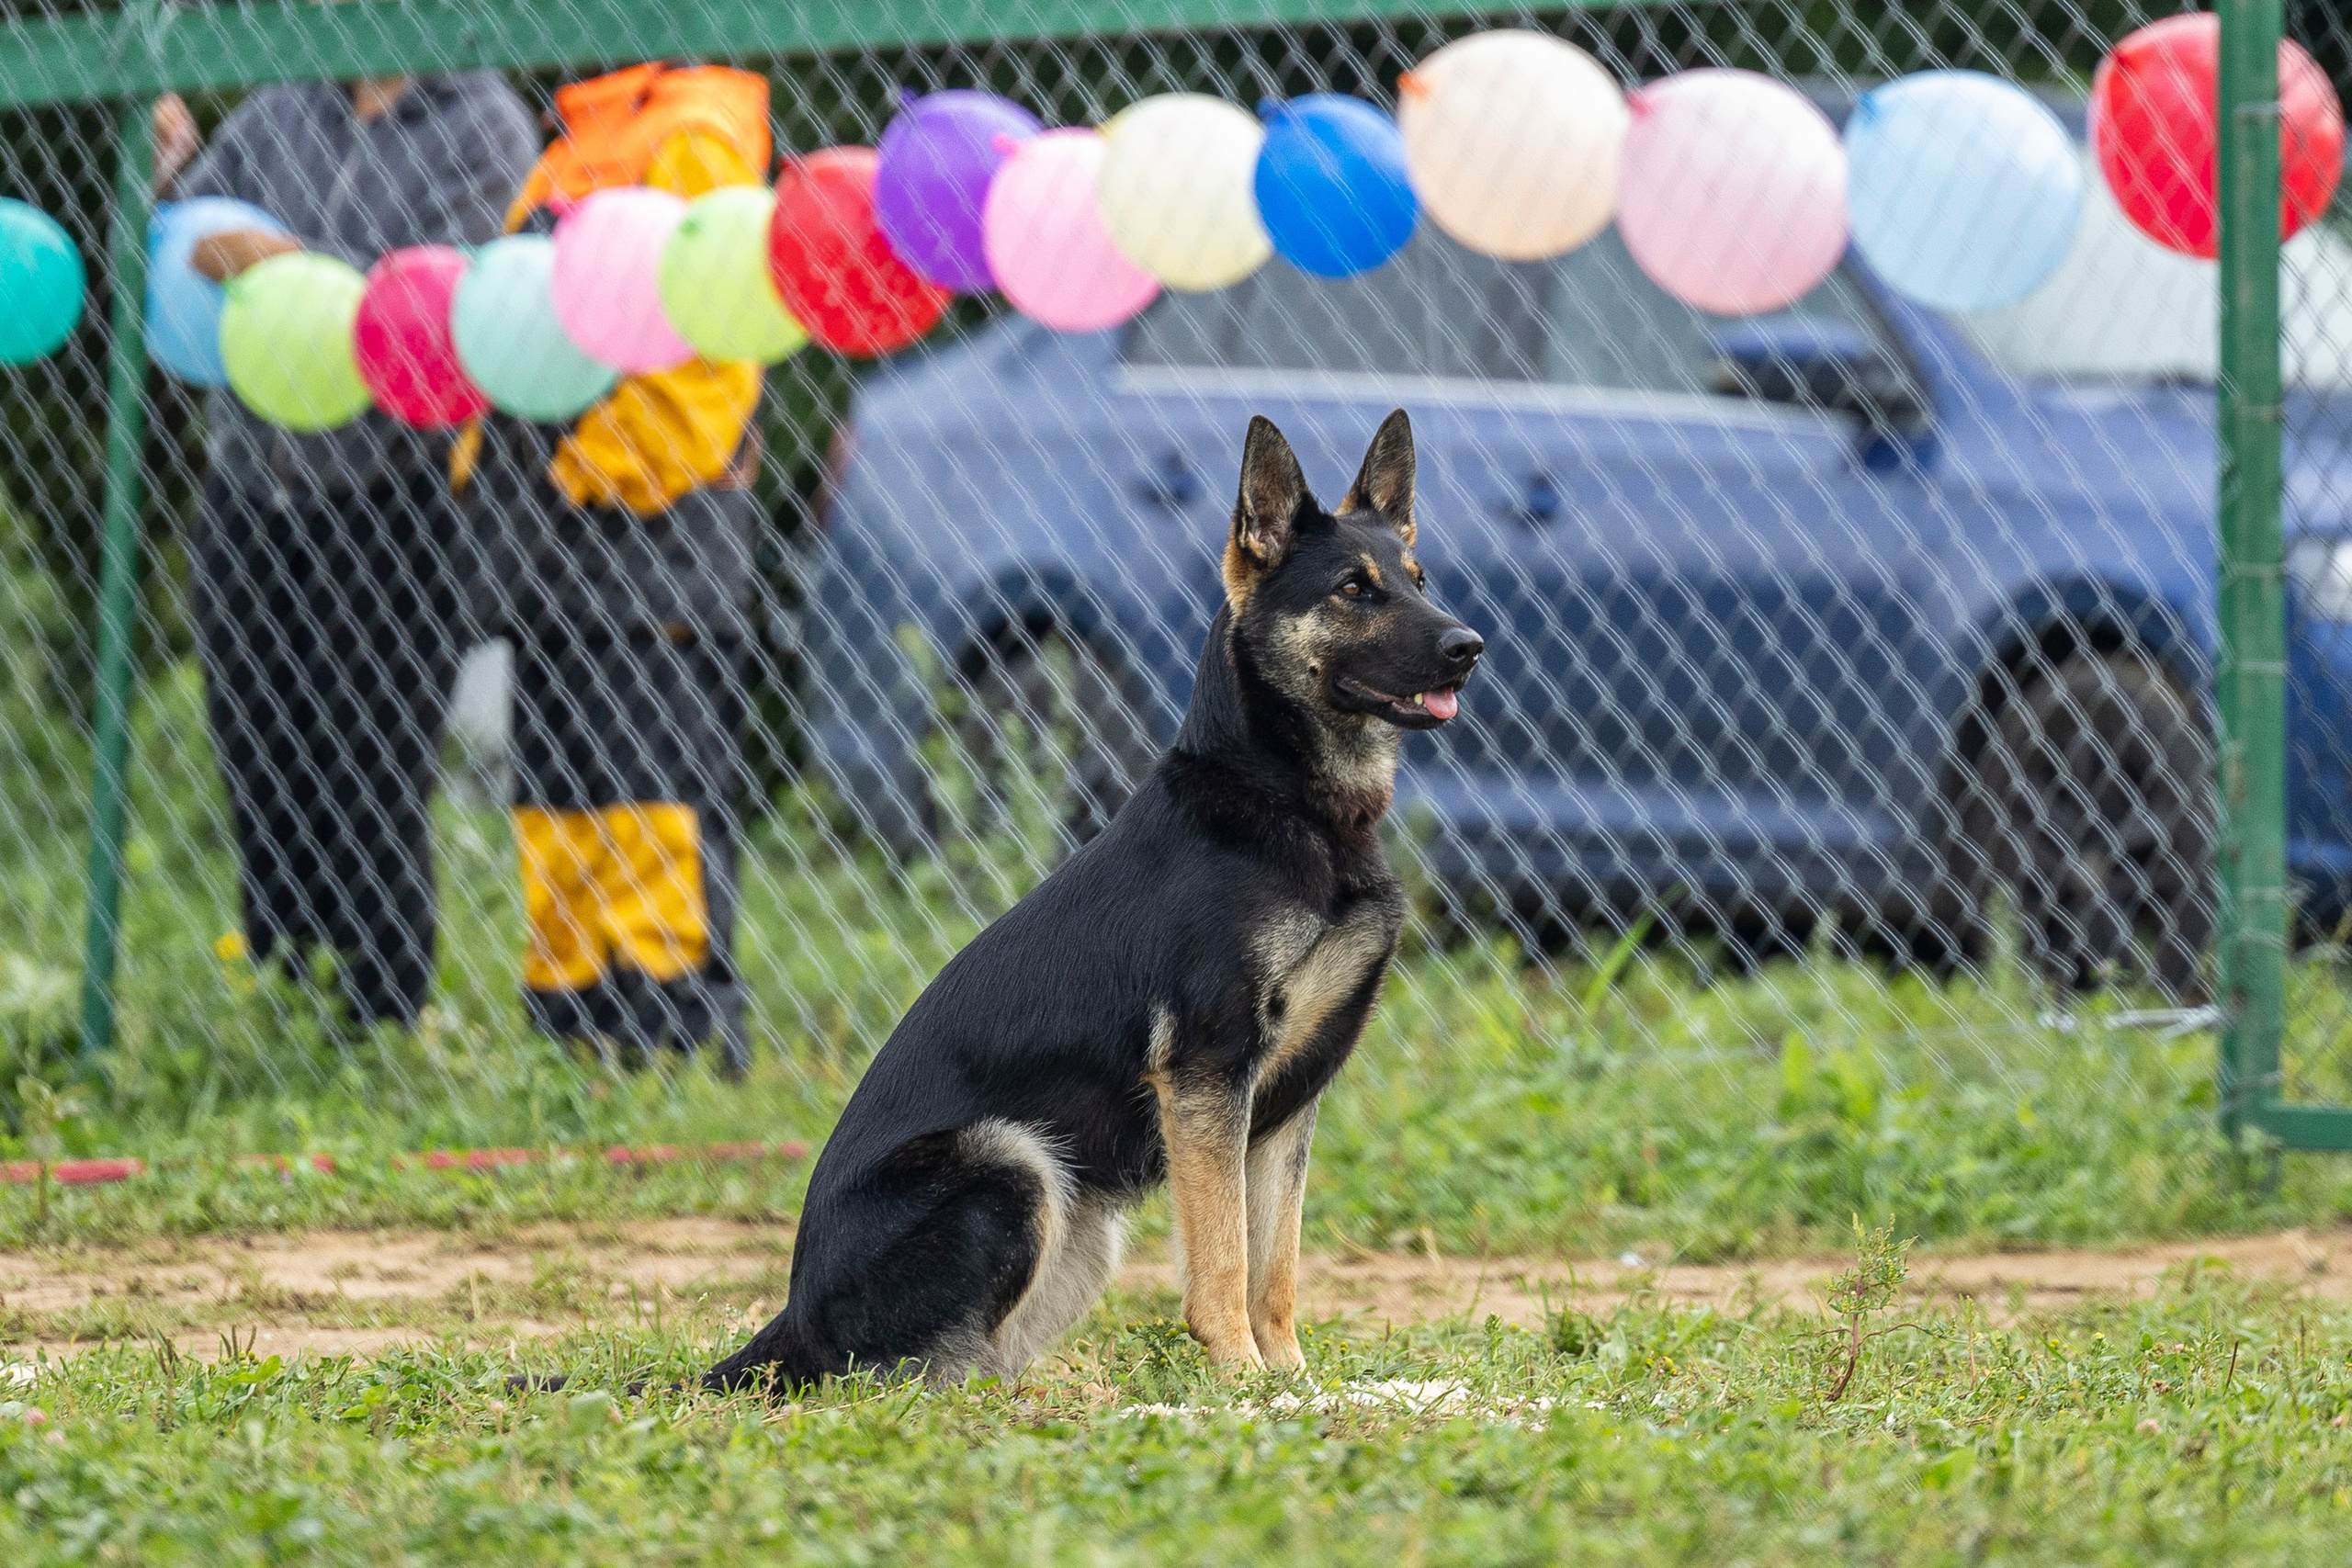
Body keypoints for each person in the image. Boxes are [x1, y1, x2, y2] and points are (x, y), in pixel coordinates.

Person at [157, 74, 539, 1027]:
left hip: (390, 500)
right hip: (249, 487)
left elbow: (439, 306)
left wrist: (281, 262)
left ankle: (379, 1018)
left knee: (372, 771)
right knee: (260, 759)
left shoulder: (484, 123)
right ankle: (284, 1002)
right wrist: (165, 176)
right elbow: (190, 235)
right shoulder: (278, 102)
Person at [460, 63, 769, 1070]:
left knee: (651, 798)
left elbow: (709, 350)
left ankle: (674, 1040)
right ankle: (575, 1034)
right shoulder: (574, 143)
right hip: (551, 531)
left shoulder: (691, 133)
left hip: (651, 529)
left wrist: (589, 468)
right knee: (560, 801)